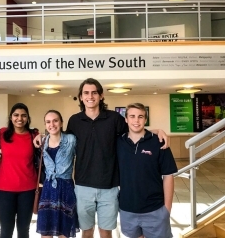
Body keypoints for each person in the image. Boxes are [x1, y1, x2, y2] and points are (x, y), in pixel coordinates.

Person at [34, 78, 169, 238]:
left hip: (109, 188)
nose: (90, 96)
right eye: (86, 93)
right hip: (83, 187)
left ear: (101, 96)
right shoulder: (75, 121)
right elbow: (60, 138)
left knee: (106, 233)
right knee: (87, 232)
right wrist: (42, 136)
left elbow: (135, 130)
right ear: (81, 96)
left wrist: (156, 131)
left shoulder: (114, 119)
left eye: (94, 93)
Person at [117, 103, 177, 238]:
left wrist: (167, 209)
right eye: (132, 116)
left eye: (140, 117)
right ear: (126, 119)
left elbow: (168, 175)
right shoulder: (118, 142)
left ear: (145, 119)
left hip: (155, 209)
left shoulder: (159, 142)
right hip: (127, 209)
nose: (136, 121)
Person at [0, 103, 38, 238]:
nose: (20, 118)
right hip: (4, 189)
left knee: (23, 229)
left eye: (24, 115)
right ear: (11, 117)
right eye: (16, 115)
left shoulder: (33, 135)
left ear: (28, 118)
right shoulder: (2, 133)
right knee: (6, 229)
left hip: (28, 189)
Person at [36, 110, 80, 238]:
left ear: (61, 123)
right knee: (46, 232)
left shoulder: (71, 140)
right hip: (48, 188)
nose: (52, 124)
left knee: (64, 232)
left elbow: (84, 156)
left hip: (66, 188)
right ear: (45, 125)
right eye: (48, 122)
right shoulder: (43, 142)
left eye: (55, 121)